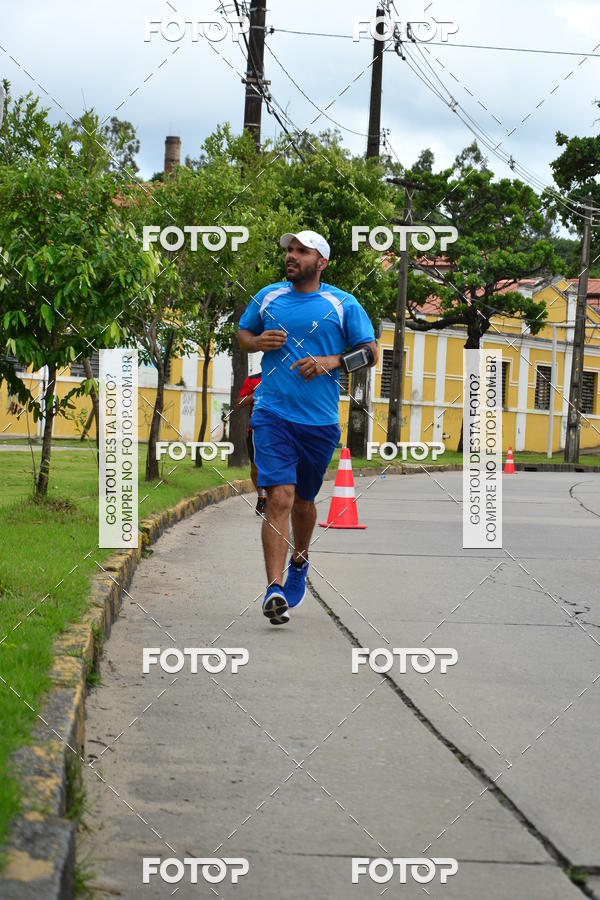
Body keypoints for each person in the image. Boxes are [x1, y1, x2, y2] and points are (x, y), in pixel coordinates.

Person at [237, 230, 377, 625]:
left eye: (302, 251)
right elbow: (243, 334)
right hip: (272, 412)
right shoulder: (268, 297)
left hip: (318, 422)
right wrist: (257, 342)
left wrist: (333, 362)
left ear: (322, 262)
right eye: (290, 250)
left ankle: (299, 559)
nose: (292, 256)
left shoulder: (343, 304)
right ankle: (274, 589)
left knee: (303, 502)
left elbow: (370, 353)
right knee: (279, 496)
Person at [237, 370, 267, 515]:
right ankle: (261, 497)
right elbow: (240, 402)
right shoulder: (253, 380)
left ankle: (274, 497)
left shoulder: (283, 377)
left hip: (279, 430)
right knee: (255, 467)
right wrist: (255, 395)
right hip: (256, 430)